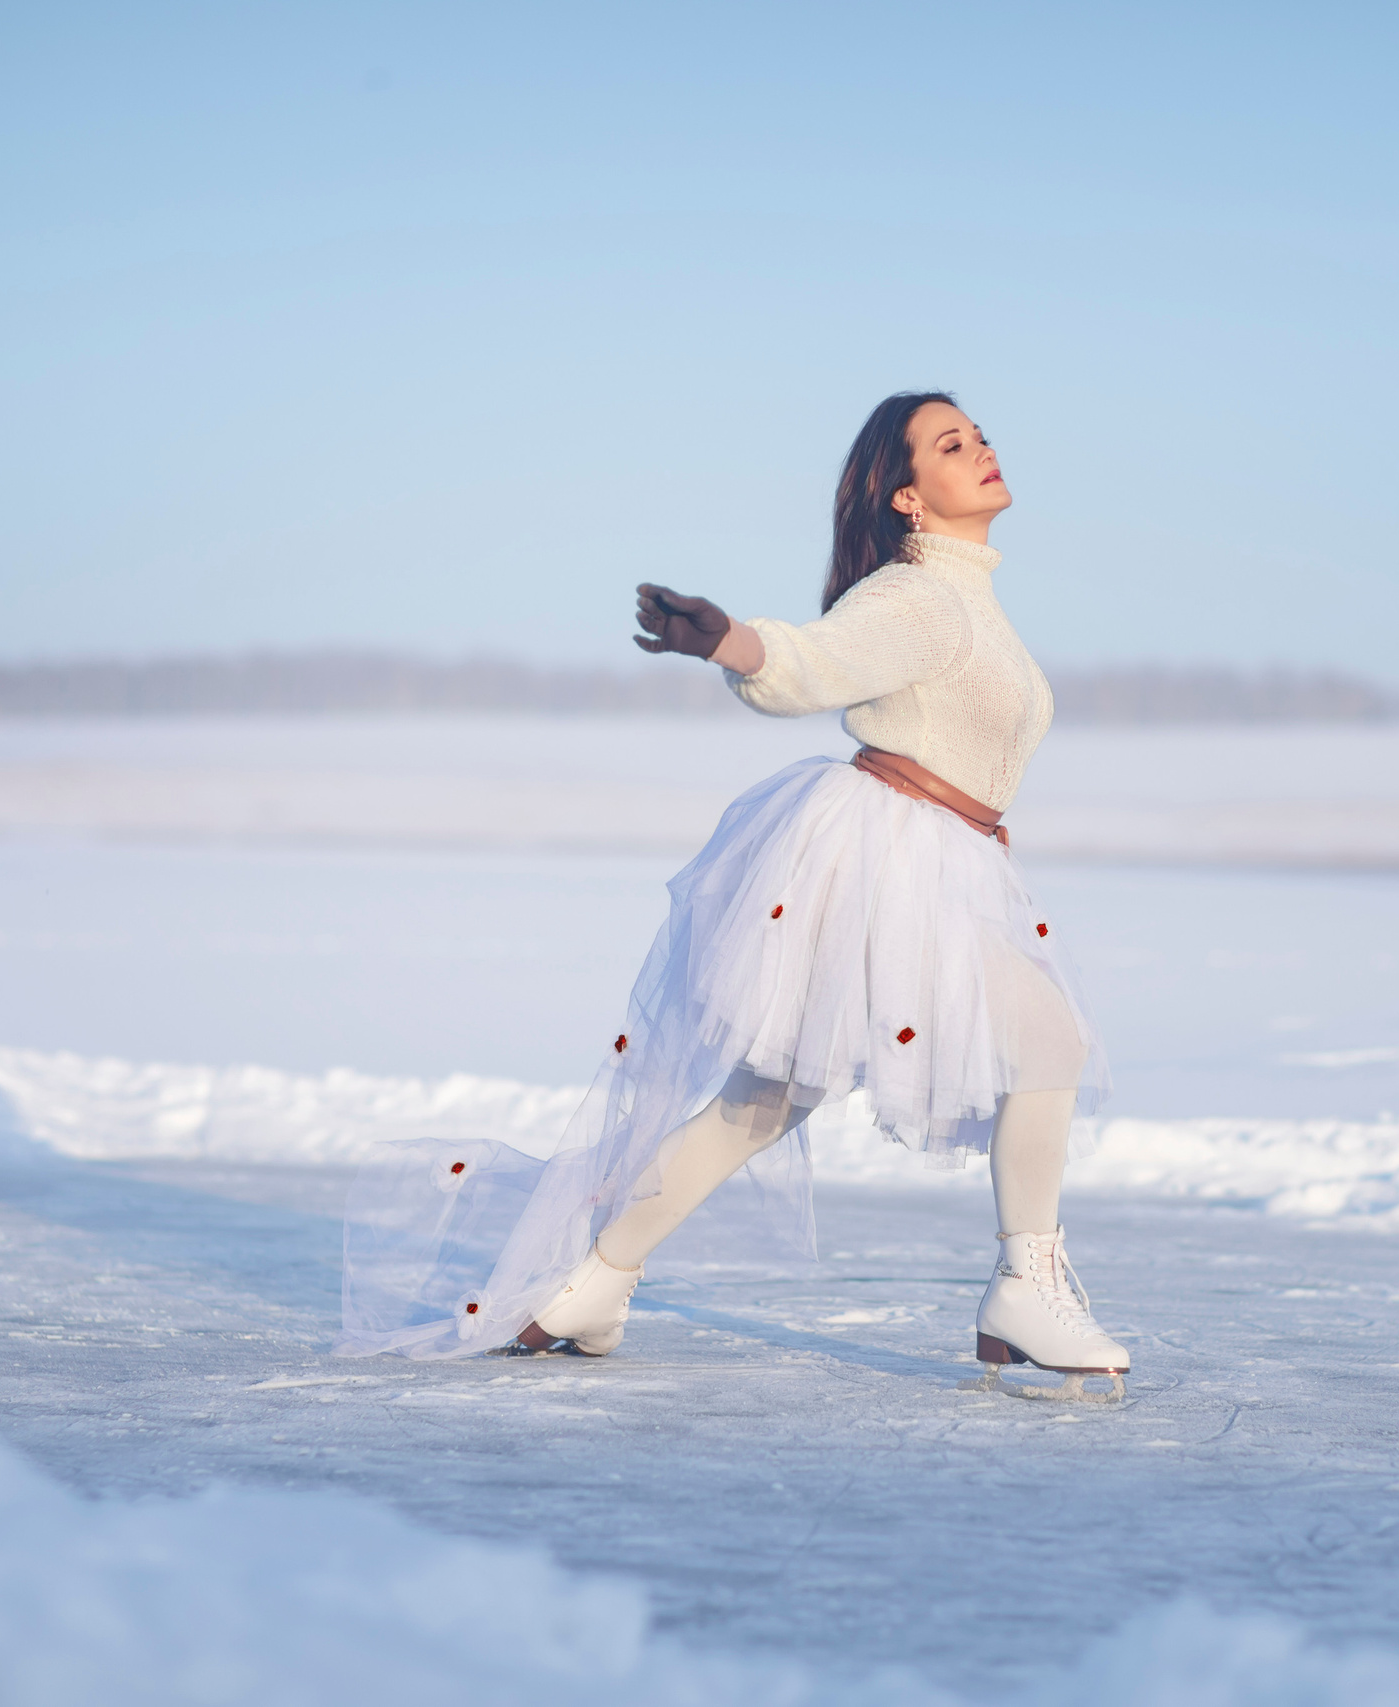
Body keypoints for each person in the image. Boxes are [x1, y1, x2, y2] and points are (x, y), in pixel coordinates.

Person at [337, 392, 1125, 1397]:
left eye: (978, 435)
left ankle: (593, 1280)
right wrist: (730, 643)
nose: (981, 449)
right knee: (1046, 1040)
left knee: (767, 1098)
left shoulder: (965, 596)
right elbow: (814, 662)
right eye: (951, 443)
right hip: (890, 858)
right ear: (905, 495)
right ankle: (1024, 1287)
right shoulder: (919, 596)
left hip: (936, 854)